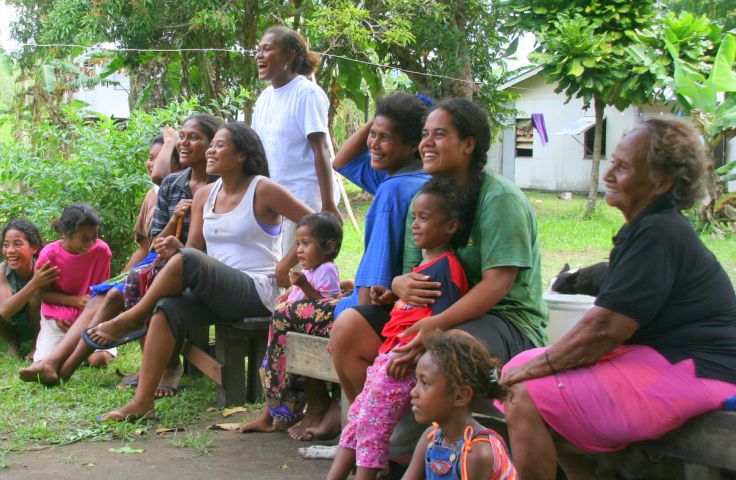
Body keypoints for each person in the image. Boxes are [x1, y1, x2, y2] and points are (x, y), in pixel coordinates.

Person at [499, 118, 736, 480]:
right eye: (613, 162)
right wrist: (530, 367)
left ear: (662, 181)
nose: (609, 174)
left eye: (623, 167)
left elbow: (605, 329)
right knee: (524, 371)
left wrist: (530, 372)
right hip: (665, 357)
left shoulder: (659, 231)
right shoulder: (647, 226)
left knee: (527, 393)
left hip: (700, 367)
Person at [91, 122, 313, 422]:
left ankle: (131, 317)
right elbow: (194, 247)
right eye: (212, 144)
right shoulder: (204, 195)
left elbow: (318, 222)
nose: (210, 150)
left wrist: (287, 263)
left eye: (219, 145)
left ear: (241, 156)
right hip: (215, 291)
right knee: (166, 308)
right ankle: (143, 402)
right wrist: (172, 246)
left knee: (188, 260)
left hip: (256, 290)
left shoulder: (263, 189)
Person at [239, 92, 430, 440]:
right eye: (373, 133)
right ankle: (318, 409)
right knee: (303, 308)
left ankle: (288, 410)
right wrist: (385, 116)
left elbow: (375, 276)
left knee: (286, 315)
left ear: (415, 144)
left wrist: (356, 311)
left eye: (385, 137)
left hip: (373, 310)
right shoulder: (412, 177)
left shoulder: (392, 189)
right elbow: (342, 160)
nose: (373, 142)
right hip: (395, 302)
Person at [19, 117, 217, 388]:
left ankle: (62, 367)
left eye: (192, 137)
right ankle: (57, 365)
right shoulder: (172, 185)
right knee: (107, 293)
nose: (183, 142)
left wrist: (169, 139)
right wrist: (173, 222)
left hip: (194, 268)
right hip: (160, 262)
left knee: (121, 291)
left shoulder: (221, 184)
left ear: (213, 145)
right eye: (180, 136)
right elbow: (155, 241)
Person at [327, 177, 471, 480]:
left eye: (425, 218)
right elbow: (418, 309)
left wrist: (415, 359)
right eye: (414, 217)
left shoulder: (447, 267)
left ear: (451, 227)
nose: (415, 225)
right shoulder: (423, 266)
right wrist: (393, 297)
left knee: (370, 424)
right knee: (357, 418)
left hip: (402, 361)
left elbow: (442, 319)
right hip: (387, 356)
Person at [251, 26, 341, 259]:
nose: (259, 55)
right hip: (273, 202)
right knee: (276, 270)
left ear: (289, 57)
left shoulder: (306, 94)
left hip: (303, 200)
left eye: (267, 49)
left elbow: (320, 150)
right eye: (258, 50)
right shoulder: (264, 98)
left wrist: (328, 203)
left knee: (298, 273)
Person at [402, 331, 518, 480]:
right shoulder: (432, 437)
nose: (413, 392)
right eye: (416, 381)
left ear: (460, 396)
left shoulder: (477, 452)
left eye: (425, 383)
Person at [262, 212, 343, 421]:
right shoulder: (309, 270)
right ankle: (278, 413)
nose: (299, 250)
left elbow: (324, 305)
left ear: (329, 247)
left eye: (306, 243)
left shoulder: (327, 269)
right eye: (298, 243)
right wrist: (291, 292)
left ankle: (286, 413)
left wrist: (303, 286)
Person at [33, 203, 113, 367]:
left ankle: (76, 347)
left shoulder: (102, 251)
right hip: (58, 315)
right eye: (84, 238)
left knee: (100, 360)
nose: (90, 243)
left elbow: (103, 291)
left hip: (89, 313)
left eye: (94, 236)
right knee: (44, 361)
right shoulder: (49, 255)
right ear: (64, 233)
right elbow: (42, 294)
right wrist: (75, 301)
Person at [0, 220, 59, 359]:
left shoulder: (43, 266)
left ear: (33, 248)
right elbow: (4, 311)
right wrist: (34, 283)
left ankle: (36, 344)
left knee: (35, 299)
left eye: (17, 244)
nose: (10, 251)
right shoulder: (2, 270)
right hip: (15, 324)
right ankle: (13, 343)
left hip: (45, 325)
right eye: (5, 245)